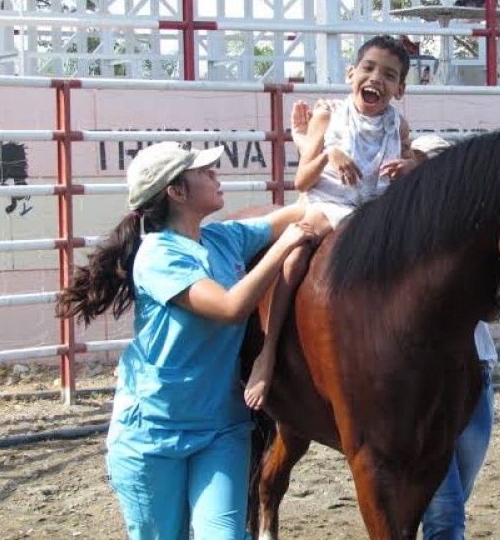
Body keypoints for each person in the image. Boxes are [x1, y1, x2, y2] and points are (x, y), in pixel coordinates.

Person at [55, 141, 316, 540]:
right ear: (176, 192)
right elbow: (230, 306)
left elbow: (303, 211)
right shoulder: (158, 256)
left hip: (221, 426)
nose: (216, 176)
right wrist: (283, 247)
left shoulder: (225, 239)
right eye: (204, 172)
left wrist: (317, 148)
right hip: (151, 433)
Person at [244, 34, 417, 410]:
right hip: (330, 205)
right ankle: (269, 352)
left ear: (399, 89)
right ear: (352, 73)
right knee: (293, 260)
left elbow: (408, 161)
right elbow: (302, 181)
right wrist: (328, 155)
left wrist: (409, 166)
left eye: (389, 75)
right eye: (369, 68)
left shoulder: (397, 125)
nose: (376, 79)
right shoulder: (329, 115)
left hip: (374, 212)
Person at [411, 134, 497, 540]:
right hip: (424, 385)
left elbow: (493, 307)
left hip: (476, 370)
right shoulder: (404, 237)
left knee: (454, 500)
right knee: (446, 513)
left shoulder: (474, 233)